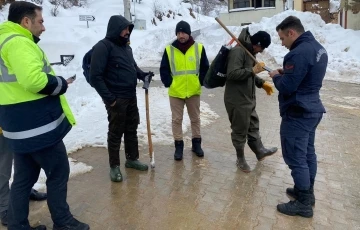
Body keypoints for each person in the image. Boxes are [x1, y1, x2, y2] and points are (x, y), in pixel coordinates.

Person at [0, 1, 89, 229]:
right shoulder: (19, 42)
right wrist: (59, 83)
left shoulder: (4, 40)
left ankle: (17, 225)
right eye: (40, 21)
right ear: (26, 21)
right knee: (58, 170)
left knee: (23, 178)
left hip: (16, 125)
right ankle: (63, 222)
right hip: (36, 126)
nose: (43, 27)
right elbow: (33, 80)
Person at [269, 16, 328, 218]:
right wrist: (286, 72)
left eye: (282, 38)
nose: (282, 43)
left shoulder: (297, 54)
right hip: (312, 110)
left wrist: (277, 76)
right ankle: (307, 193)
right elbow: (304, 74)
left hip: (298, 113)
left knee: (296, 158)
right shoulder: (317, 48)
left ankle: (303, 203)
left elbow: (287, 87)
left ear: (291, 33)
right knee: (308, 154)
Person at [90, 15, 152, 182]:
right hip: (116, 99)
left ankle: (132, 159)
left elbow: (133, 67)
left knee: (131, 129)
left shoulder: (127, 48)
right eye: (125, 29)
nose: (127, 32)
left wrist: (143, 75)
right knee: (116, 132)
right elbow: (95, 76)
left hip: (131, 96)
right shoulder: (103, 47)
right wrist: (110, 99)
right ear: (115, 29)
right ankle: (114, 166)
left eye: (128, 29)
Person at [224, 27, 278, 173]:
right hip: (237, 100)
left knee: (253, 126)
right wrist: (253, 70)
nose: (260, 51)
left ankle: (259, 151)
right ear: (257, 43)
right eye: (261, 48)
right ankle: (240, 158)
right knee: (240, 130)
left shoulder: (249, 52)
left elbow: (248, 75)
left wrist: (261, 83)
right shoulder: (238, 52)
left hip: (247, 99)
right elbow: (233, 74)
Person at [160, 20, 209, 161]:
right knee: (176, 120)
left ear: (188, 33)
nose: (181, 35)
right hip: (176, 92)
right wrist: (168, 82)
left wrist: (201, 81)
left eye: (183, 32)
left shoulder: (198, 48)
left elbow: (205, 67)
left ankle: (196, 144)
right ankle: (179, 146)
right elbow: (164, 69)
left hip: (193, 91)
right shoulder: (169, 49)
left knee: (195, 119)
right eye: (179, 33)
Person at [0, 128, 47, 226]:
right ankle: (4, 207)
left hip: (14, 122)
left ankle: (24, 191)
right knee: (3, 165)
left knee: (22, 158)